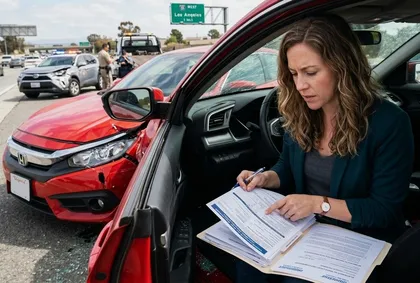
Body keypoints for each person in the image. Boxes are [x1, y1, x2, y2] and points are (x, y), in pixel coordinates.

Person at [234, 14, 414, 283]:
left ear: (343, 67)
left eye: (311, 72)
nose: (300, 85)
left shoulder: (389, 122)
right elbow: (287, 166)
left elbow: (384, 210)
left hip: (362, 237)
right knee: (249, 265)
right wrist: (266, 178)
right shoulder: (302, 113)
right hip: (307, 229)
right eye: (293, 74)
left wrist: (318, 205)